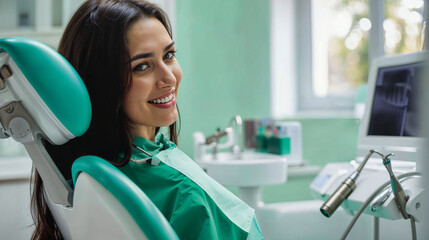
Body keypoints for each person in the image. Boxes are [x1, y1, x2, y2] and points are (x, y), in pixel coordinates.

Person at [30, 1, 263, 239]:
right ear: (101, 83)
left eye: (169, 55)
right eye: (142, 66)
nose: (169, 77)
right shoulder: (183, 192)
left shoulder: (77, 173)